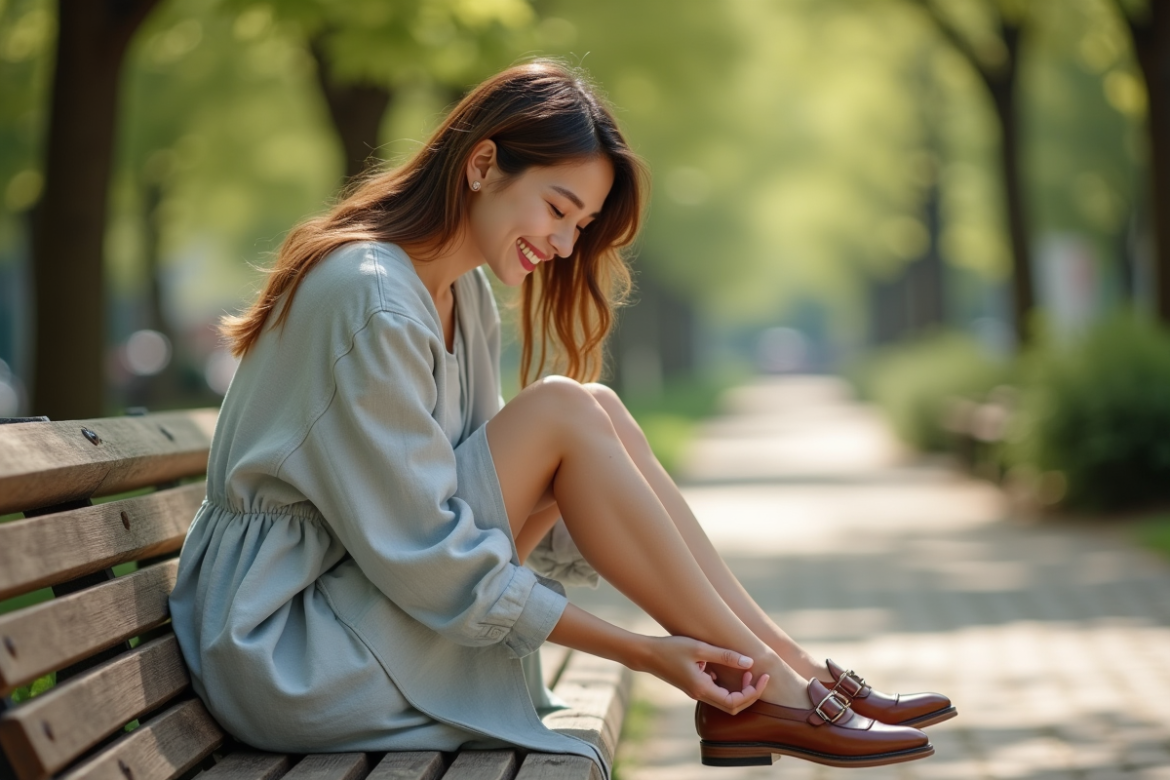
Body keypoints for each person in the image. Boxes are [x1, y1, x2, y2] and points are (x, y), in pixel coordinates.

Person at [169, 60, 954, 778]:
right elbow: (433, 556)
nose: (564, 241)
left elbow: (459, 515)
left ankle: (784, 668)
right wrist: (645, 652)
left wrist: (635, 578)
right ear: (482, 164)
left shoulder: (459, 294)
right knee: (564, 410)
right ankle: (770, 682)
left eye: (580, 224)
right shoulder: (370, 297)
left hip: (350, 600)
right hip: (288, 649)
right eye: (558, 207)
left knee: (588, 407)